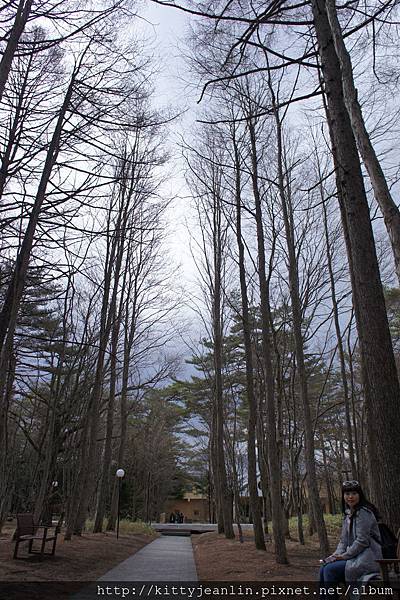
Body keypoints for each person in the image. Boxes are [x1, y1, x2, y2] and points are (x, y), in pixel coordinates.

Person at [319, 480, 382, 598]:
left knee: (330, 570)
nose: (350, 497)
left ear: (360, 495)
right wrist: (335, 556)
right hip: (355, 557)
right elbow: (343, 541)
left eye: (354, 493)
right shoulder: (348, 514)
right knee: (324, 567)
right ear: (343, 496)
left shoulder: (364, 512)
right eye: (347, 494)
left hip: (368, 559)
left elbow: (362, 541)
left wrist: (344, 556)